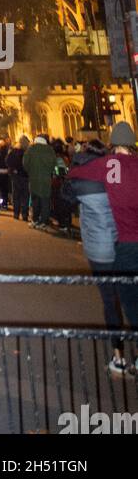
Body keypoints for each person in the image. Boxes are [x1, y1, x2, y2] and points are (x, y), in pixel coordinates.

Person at [68, 122, 138, 375]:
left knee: (121, 302)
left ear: (113, 143)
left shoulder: (111, 166)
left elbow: (75, 175)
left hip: (127, 243)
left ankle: (119, 356)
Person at [23, 134, 57, 229]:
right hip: (46, 179)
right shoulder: (50, 150)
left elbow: (25, 163)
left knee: (35, 201)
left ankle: (35, 219)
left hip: (34, 179)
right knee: (45, 201)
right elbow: (54, 163)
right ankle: (44, 221)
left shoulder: (31, 149)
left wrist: (30, 171)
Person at [7, 136, 30, 220]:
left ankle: (16, 213)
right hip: (25, 176)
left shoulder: (13, 151)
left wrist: (13, 169)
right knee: (25, 196)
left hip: (16, 176)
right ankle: (24, 214)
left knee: (16, 195)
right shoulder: (27, 152)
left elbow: (8, 161)